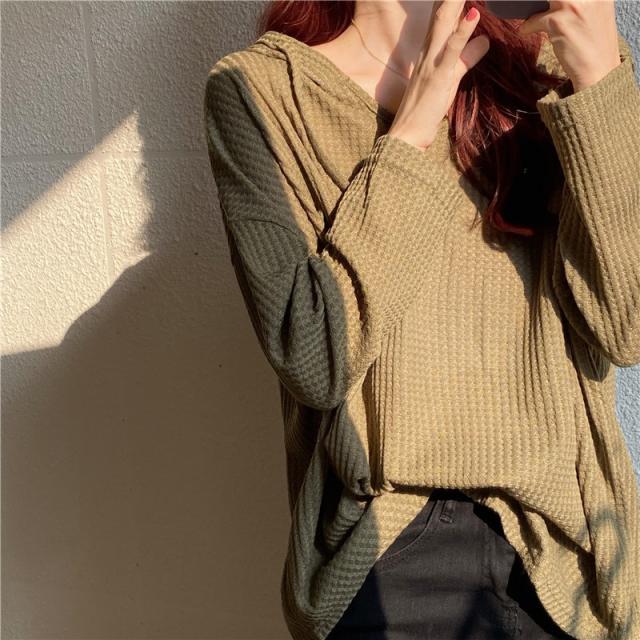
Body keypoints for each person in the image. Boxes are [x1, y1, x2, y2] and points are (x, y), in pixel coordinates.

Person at [203, 1, 640, 638]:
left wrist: (599, 83)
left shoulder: (550, 61)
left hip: (569, 563)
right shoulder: (264, 90)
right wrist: (412, 131)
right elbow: (314, 354)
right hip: (391, 553)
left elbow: (628, 326)